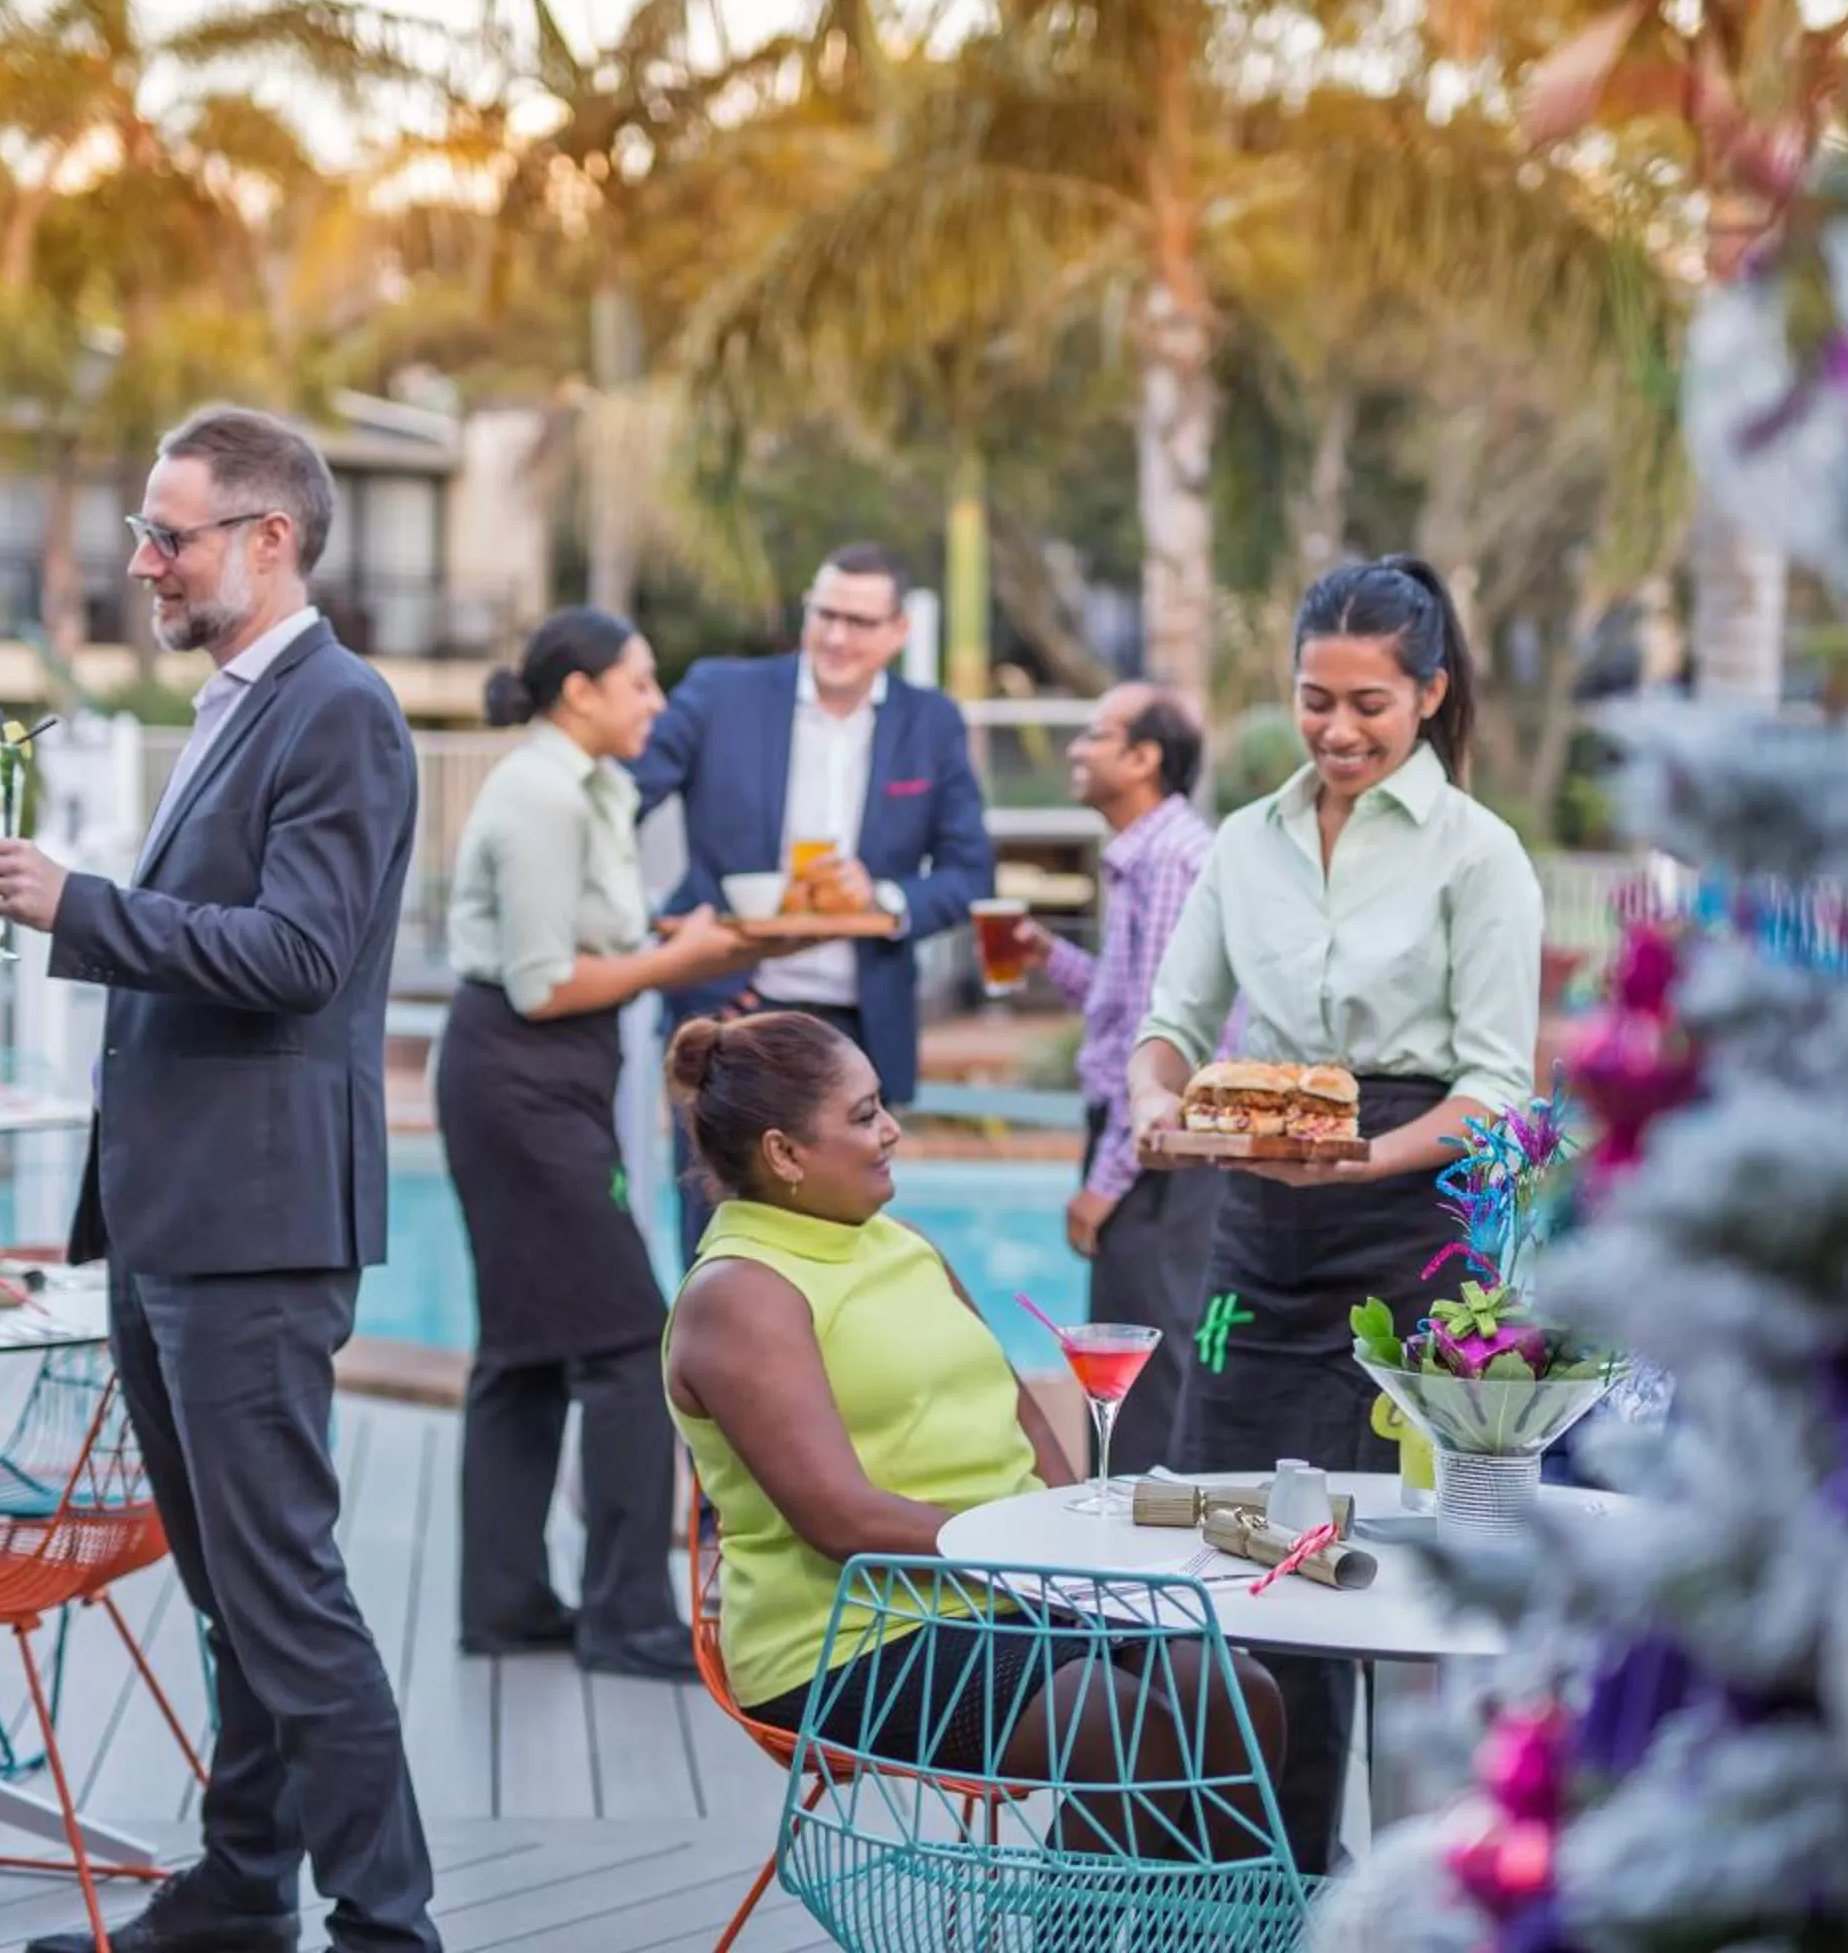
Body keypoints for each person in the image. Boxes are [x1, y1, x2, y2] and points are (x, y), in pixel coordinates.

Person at [0, 407, 439, 1953]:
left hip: (255, 1226)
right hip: (179, 1219)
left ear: (269, 537)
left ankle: (388, 1927)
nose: (144, 563)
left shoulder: (339, 709)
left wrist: (77, 906)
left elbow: (298, 955)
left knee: (282, 1590)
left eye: (169, 535)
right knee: (238, 1593)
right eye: (143, 534)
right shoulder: (240, 705)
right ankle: (241, 1894)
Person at [1127, 556, 1542, 1875]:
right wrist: (1156, 1103)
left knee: (1390, 1580)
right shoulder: (1244, 843)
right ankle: (1250, 1889)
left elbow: (1497, 1088)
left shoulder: (1480, 854)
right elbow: (1173, 1025)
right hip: (1259, 1224)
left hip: (1416, 1237)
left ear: (1430, 693)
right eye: (1317, 700)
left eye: (1369, 703)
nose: (1339, 729)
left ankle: (1409, 1890)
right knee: (1232, 1555)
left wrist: (1367, 1161)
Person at [660, 1011, 1284, 1827]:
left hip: (1011, 1590)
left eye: (881, 1107)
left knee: (1235, 1694)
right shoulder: (741, 1293)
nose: (891, 1130)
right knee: (1119, 1729)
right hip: (853, 1636)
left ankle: (1207, 1907)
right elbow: (839, 1519)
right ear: (784, 1153)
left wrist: (1077, 1543)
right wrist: (1036, 1551)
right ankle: (1110, 1906)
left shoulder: (902, 1243)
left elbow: (1017, 1408)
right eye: (864, 1116)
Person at [438, 606, 779, 1681]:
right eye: (640, 682)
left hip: (536, 1073)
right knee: (632, 1341)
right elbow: (543, 983)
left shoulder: (588, 787)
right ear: (579, 691)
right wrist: (687, 965)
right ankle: (627, 1615)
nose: (657, 703)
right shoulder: (543, 797)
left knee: (525, 1346)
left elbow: (593, 938)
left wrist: (686, 940)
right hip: (523, 1075)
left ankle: (504, 1602)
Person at [628, 543, 995, 1251]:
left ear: (898, 632)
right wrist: (632, 919)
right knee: (717, 1229)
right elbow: (615, 800)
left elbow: (970, 873)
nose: (836, 636)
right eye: (825, 614)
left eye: (860, 622)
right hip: (731, 1011)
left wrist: (882, 896)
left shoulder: (932, 723)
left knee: (842, 1237)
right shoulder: (720, 693)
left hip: (854, 1027)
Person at [1010, 683, 1226, 1475]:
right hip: (1148, 1136)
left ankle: (1147, 1528)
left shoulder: (1170, 861)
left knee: (1141, 1359)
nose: (1076, 749)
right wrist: (1049, 957)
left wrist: (1106, 1182)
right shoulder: (1145, 858)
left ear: (1143, 759)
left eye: (1094, 735)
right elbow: (1128, 1000)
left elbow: (1165, 1042)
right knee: (1137, 1356)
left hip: (1159, 1141)